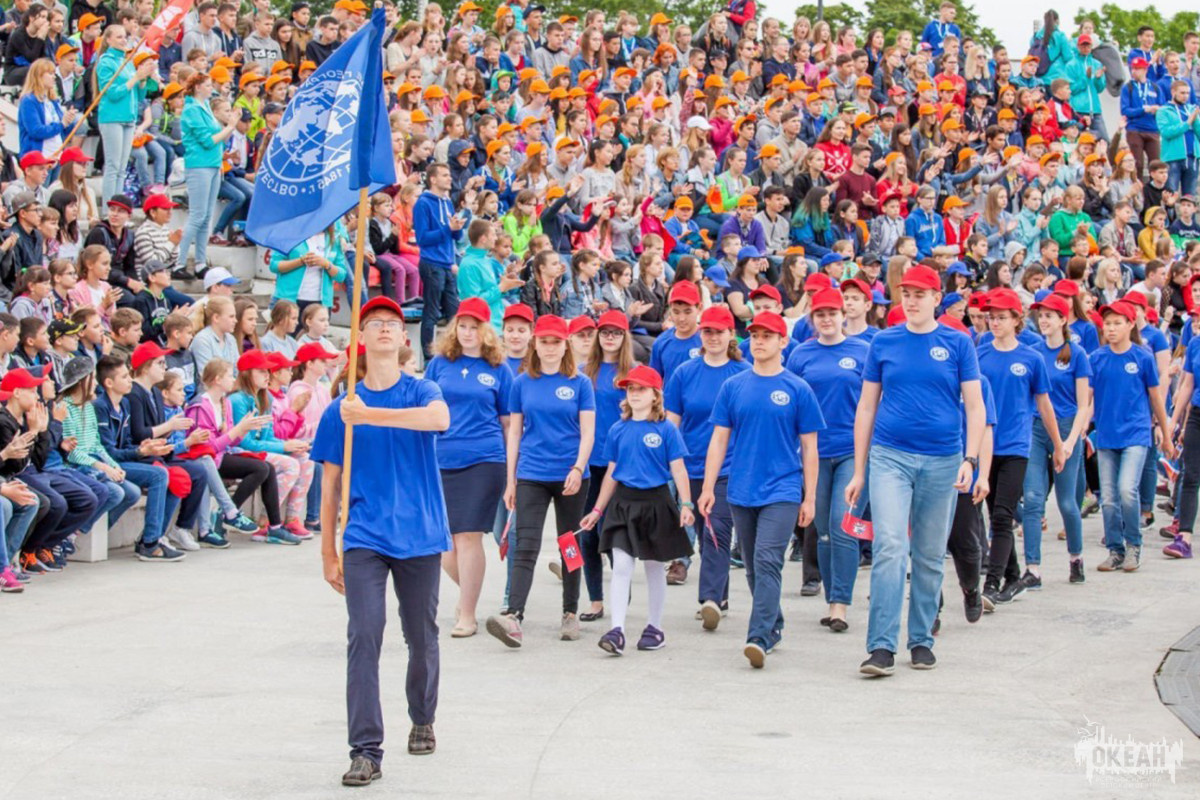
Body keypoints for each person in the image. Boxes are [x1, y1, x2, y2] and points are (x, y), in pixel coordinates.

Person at [845, 265, 984, 676]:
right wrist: (858, 471)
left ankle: (921, 638)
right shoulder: (884, 342)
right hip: (889, 456)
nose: (911, 299)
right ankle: (881, 646)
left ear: (937, 298)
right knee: (890, 545)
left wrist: (971, 459)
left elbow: (975, 406)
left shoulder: (958, 343)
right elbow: (866, 406)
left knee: (928, 552)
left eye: (920, 294)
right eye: (906, 292)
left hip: (943, 458)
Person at [699, 310, 823, 669]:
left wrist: (809, 496)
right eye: (754, 335)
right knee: (754, 567)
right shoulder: (733, 386)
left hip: (783, 489)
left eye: (767, 336)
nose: (759, 341)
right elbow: (719, 440)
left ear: (783, 342)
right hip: (741, 488)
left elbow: (810, 447)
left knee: (769, 559)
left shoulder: (798, 389)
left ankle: (757, 636)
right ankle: (774, 624)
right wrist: (708, 488)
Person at [486, 314, 595, 648]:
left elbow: (588, 431)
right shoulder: (522, 382)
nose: (550, 348)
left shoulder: (580, 383)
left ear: (565, 345)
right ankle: (514, 614)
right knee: (526, 543)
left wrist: (578, 468)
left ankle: (570, 612)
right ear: (536, 344)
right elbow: (515, 433)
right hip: (532, 472)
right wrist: (511, 481)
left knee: (569, 544)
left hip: (570, 477)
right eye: (544, 341)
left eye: (556, 342)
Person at [579, 365, 693, 655]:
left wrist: (687, 504)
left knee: (654, 567)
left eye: (641, 389)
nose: (635, 394)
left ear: (655, 395)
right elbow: (611, 474)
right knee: (621, 566)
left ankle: (654, 627)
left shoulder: (666, 429)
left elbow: (678, 469)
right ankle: (617, 630)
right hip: (622, 505)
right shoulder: (618, 429)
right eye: (631, 389)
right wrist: (596, 510)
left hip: (657, 502)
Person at [423, 298, 512, 638]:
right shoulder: (439, 364)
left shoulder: (498, 369)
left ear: (486, 331)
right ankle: (468, 595)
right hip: (441, 457)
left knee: (468, 536)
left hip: (484, 458)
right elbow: (425, 409)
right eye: (463, 325)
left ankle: (468, 614)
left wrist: (511, 472)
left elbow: (507, 424)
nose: (468, 332)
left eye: (475, 327)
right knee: (445, 544)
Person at [785, 288, 870, 633]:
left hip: (852, 451)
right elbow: (790, 402)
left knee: (842, 524)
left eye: (832, 313)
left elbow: (875, 400)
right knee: (821, 531)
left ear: (843, 314)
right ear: (812, 319)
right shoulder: (801, 354)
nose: (827, 319)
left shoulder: (864, 351)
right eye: (820, 314)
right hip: (814, 454)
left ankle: (840, 604)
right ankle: (831, 596)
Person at [975, 289, 1064, 608]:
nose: (994, 322)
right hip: (986, 448)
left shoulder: (1031, 358)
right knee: (993, 512)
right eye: (991, 317)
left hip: (1015, 446)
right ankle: (1013, 576)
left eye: (1001, 317)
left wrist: (1057, 444)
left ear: (1016, 319)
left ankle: (992, 583)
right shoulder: (980, 354)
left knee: (1002, 516)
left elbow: (1044, 404)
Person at [664, 304, 747, 629]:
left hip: (729, 465)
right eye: (708, 331)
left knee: (716, 529)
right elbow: (672, 419)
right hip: (691, 464)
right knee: (702, 529)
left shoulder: (742, 373)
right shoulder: (685, 372)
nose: (713, 337)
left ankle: (709, 598)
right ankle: (722, 596)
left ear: (731, 335)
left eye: (719, 331)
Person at [1089, 301, 1174, 574]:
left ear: (1130, 325)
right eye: (1107, 324)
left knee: (1127, 489)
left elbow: (1156, 398)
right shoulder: (1097, 358)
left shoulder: (1143, 357)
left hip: (1136, 433)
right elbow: (1087, 398)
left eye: (1117, 323)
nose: (1111, 328)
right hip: (1106, 436)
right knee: (1109, 497)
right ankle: (1115, 549)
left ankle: (1133, 544)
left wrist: (1166, 432)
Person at [1021, 293, 1093, 583]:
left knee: (1066, 502)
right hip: (1037, 427)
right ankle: (1032, 568)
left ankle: (1076, 558)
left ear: (1064, 319)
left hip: (1065, 428)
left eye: (1050, 315)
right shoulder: (1034, 351)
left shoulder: (1076, 353)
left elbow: (1083, 404)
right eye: (1041, 315)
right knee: (1033, 497)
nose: (1044, 320)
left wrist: (1071, 439)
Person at [579, 309, 634, 622]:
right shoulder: (585, 371)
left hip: (621, 464)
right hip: (589, 462)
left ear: (625, 336)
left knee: (613, 532)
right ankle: (596, 599)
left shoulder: (633, 371)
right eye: (605, 332)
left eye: (616, 332)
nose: (610, 337)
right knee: (588, 532)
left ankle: (620, 592)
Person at [178, 72, 238, 277]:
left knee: (206, 217)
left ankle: (200, 262)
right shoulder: (192, 109)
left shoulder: (203, 107)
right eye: (207, 85)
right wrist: (230, 127)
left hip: (212, 164)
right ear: (197, 87)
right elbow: (208, 140)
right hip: (199, 165)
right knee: (197, 215)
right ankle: (179, 262)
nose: (211, 88)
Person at [414, 162, 466, 360]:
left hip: (447, 263)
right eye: (444, 175)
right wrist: (448, 229)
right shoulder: (423, 203)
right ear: (433, 179)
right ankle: (428, 359)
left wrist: (457, 227)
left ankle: (454, 354)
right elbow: (423, 238)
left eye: (449, 175)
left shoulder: (448, 202)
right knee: (432, 312)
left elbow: (455, 237)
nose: (449, 178)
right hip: (431, 262)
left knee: (454, 313)